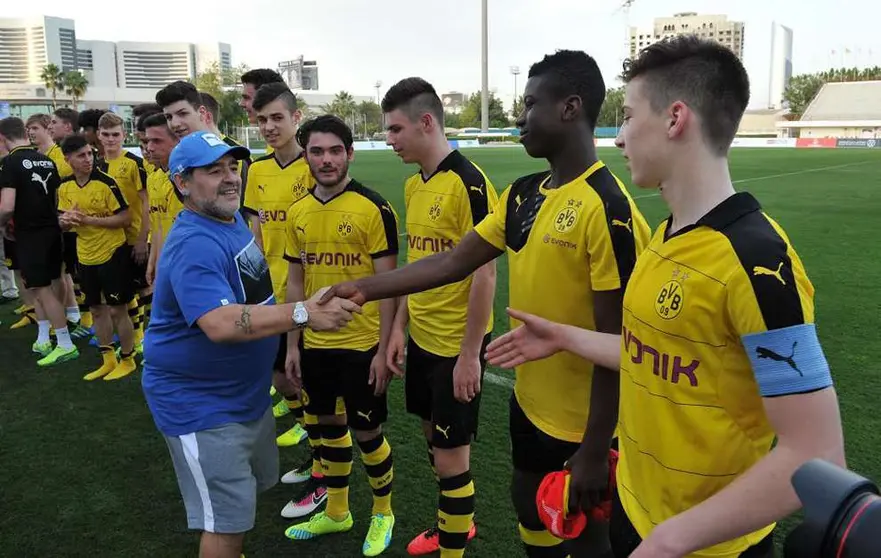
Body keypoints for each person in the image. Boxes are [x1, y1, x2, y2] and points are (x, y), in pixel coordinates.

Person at [485, 36, 847, 558]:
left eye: (629, 117)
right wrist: (564, 336)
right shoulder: (665, 237)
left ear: (675, 119)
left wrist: (671, 539)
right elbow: (656, 357)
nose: (619, 138)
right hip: (634, 514)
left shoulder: (759, 263)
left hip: (707, 546)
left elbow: (818, 454)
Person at [323, 53, 652, 558]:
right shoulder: (524, 194)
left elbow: (620, 346)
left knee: (586, 537)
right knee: (528, 504)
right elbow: (454, 261)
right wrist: (367, 288)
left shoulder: (607, 208)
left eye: (529, 103)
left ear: (570, 108)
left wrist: (593, 447)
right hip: (530, 403)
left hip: (584, 423)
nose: (520, 117)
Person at [141, 130, 361, 558]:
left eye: (231, 167)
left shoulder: (229, 217)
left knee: (241, 504)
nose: (230, 178)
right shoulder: (194, 242)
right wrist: (303, 314)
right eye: (212, 171)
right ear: (182, 183)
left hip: (242, 395)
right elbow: (221, 323)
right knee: (224, 525)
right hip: (202, 407)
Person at [372, 77, 499, 558]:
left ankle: (454, 545)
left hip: (456, 348)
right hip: (422, 339)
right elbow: (419, 266)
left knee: (452, 461)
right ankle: (454, 522)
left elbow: (485, 274)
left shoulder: (470, 184)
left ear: (427, 122)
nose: (390, 139)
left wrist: (471, 356)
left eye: (395, 128)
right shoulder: (412, 184)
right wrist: (400, 327)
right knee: (433, 443)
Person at [281, 115, 399, 555]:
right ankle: (336, 511)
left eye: (335, 150)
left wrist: (385, 349)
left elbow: (390, 286)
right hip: (315, 344)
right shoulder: (299, 211)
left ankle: (383, 511)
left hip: (362, 345)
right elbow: (297, 283)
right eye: (317, 151)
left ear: (349, 153)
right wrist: (294, 342)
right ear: (307, 155)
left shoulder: (373, 208)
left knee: (367, 433)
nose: (326, 160)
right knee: (328, 427)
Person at [243, 82, 315, 449]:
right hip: (270, 287)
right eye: (262, 120)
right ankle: (304, 419)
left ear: (295, 117)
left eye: (277, 117)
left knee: (306, 370)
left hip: (309, 288)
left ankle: (318, 432)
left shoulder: (316, 164)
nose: (269, 126)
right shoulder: (256, 170)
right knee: (277, 371)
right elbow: (256, 229)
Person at [0, 116, 79, 366]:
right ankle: (45, 335)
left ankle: (65, 343)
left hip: (31, 234)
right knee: (51, 283)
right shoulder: (46, 161)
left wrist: (3, 223)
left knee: (42, 291)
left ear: (2, 139)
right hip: (53, 230)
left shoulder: (10, 163)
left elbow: (7, 206)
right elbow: (57, 198)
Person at [58, 134, 137, 380]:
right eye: (81, 155)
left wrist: (88, 220)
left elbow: (126, 218)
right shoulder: (65, 186)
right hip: (86, 256)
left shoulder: (106, 183)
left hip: (113, 253)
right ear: (67, 159)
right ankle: (108, 359)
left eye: (90, 154)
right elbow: (62, 222)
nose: (88, 159)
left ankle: (128, 359)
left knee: (117, 310)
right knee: (97, 309)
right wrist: (65, 222)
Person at [98, 112, 150, 351]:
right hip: (111, 240)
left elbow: (147, 203)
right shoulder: (97, 165)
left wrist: (142, 240)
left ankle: (151, 337)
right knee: (125, 292)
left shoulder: (133, 163)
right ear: (99, 135)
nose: (111, 139)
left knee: (144, 288)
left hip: (135, 236)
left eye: (115, 134)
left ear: (124, 135)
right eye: (106, 134)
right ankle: (137, 337)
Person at [141, 113, 182, 286]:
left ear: (177, 140)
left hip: (186, 262)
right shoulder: (153, 178)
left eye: (156, 141)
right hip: (166, 263)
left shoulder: (189, 177)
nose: (149, 147)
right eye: (147, 141)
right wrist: (154, 262)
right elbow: (157, 227)